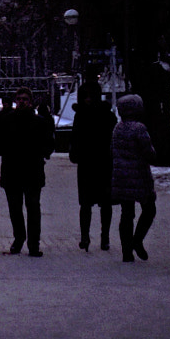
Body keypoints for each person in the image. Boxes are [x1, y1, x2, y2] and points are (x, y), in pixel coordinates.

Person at [0, 88, 52, 256]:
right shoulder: (7, 120)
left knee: (33, 209)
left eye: (24, 99)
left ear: (30, 101)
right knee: (16, 209)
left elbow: (48, 145)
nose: (21, 102)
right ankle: (21, 238)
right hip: (15, 170)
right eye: (19, 99)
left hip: (30, 171)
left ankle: (32, 242)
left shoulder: (39, 122)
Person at [111, 93, 157, 262]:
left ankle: (126, 252)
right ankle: (137, 240)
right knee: (149, 209)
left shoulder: (118, 128)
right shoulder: (139, 128)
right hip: (139, 176)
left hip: (121, 176)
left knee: (126, 213)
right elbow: (148, 153)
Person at [69, 80, 115, 250]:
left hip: (95, 162)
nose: (87, 99)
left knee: (99, 203)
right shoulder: (105, 114)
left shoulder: (84, 115)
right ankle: (90, 237)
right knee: (92, 203)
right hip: (96, 162)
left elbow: (75, 137)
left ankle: (100, 237)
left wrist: (75, 152)